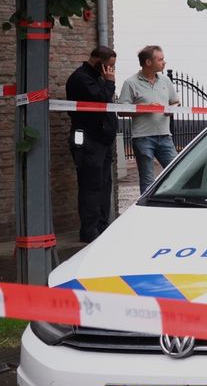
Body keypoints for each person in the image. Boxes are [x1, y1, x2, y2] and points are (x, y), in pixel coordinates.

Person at [65, 46, 118, 242]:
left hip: (102, 139)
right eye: (109, 66)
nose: (111, 70)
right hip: (89, 139)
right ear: (98, 61)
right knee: (91, 184)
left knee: (104, 184)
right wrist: (110, 83)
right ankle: (90, 229)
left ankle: (102, 225)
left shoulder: (97, 77)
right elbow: (101, 99)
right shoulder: (82, 78)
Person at [117, 45, 181, 193]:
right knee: (147, 179)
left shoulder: (165, 80)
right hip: (142, 138)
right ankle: (146, 210)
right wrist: (146, 108)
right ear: (148, 62)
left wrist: (171, 109)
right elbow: (121, 111)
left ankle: (173, 202)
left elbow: (175, 101)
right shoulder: (130, 83)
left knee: (177, 172)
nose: (164, 62)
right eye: (160, 59)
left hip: (165, 136)